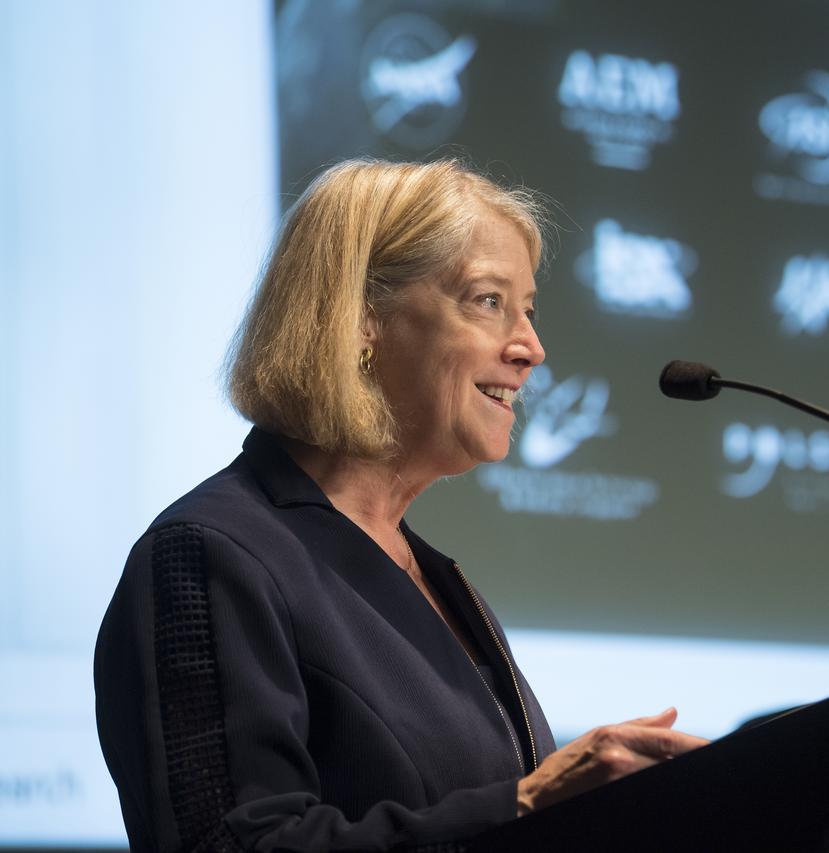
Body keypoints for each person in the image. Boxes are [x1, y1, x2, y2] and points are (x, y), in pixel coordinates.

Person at [94, 158, 706, 852]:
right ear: (360, 317)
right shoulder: (210, 554)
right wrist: (529, 801)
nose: (532, 348)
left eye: (528, 310)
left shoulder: (436, 576)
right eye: (488, 301)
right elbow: (229, 844)